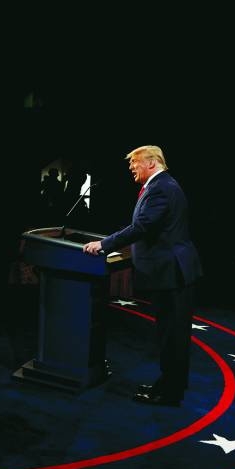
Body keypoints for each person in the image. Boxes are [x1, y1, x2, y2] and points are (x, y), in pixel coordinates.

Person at [83, 145, 201, 406]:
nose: (131, 168)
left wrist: (104, 244)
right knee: (170, 334)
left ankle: (169, 393)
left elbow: (142, 226)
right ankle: (169, 385)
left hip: (172, 272)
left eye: (134, 163)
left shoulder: (160, 188)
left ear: (151, 162)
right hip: (172, 271)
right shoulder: (163, 185)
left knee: (172, 335)